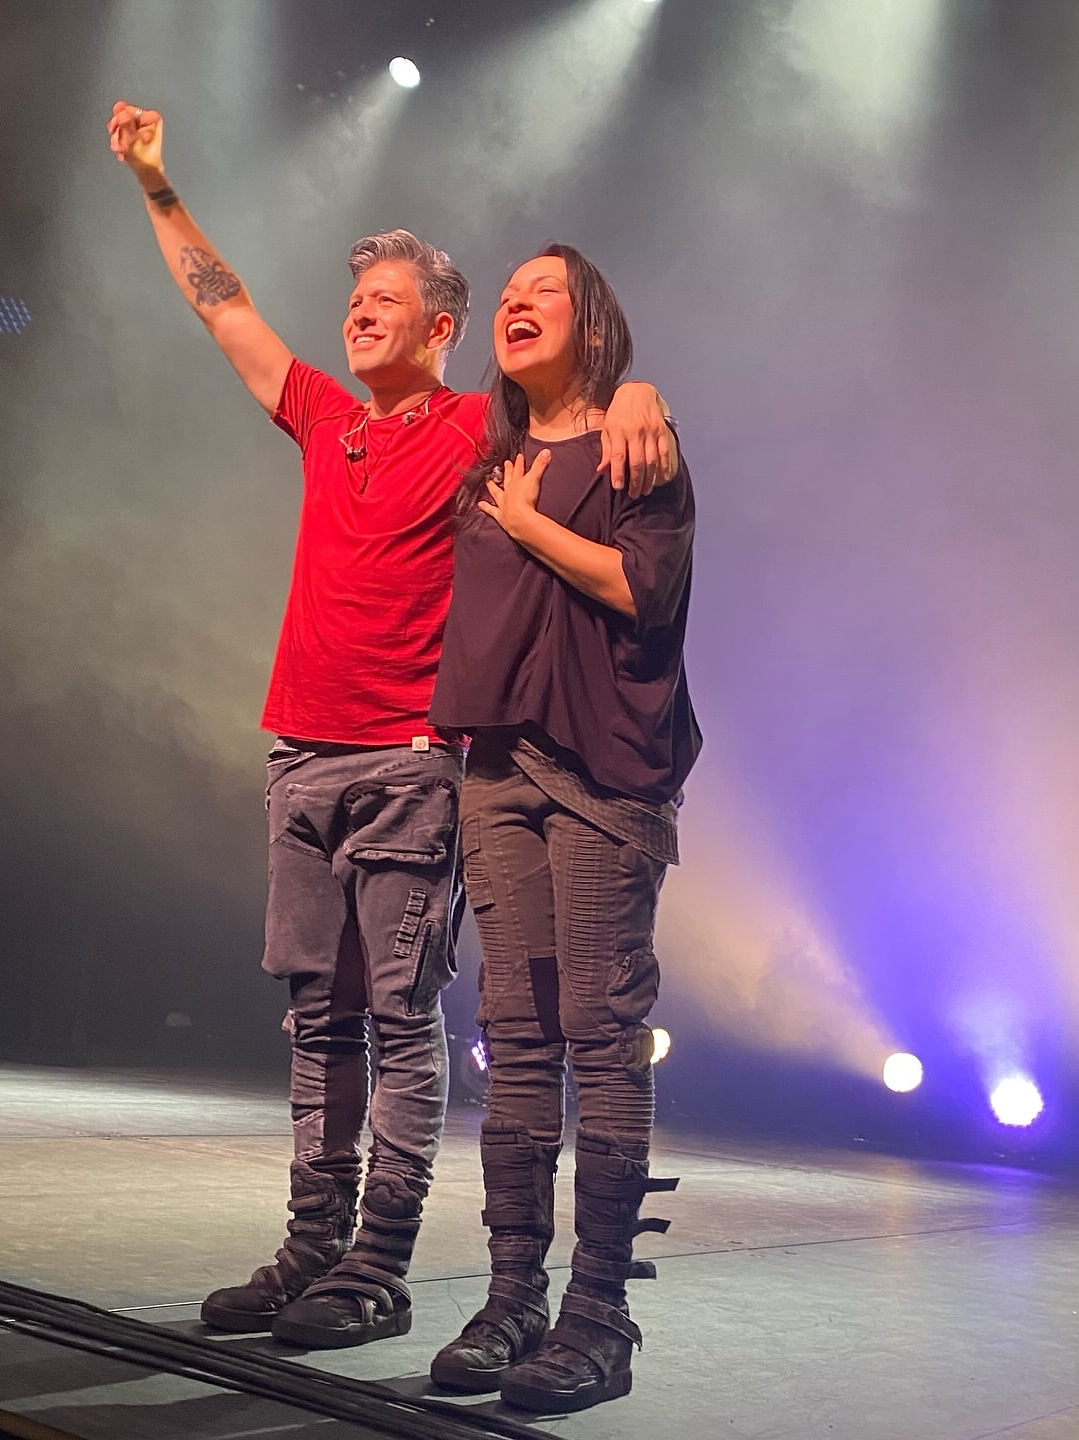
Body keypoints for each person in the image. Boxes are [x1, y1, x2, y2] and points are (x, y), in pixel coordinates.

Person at [106, 103, 678, 1349]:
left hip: (413, 765)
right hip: (301, 757)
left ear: (443, 327)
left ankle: (377, 1264)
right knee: (318, 1015)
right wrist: (158, 184)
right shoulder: (325, 416)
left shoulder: (485, 426)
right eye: (353, 299)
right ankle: (314, 1242)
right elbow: (224, 307)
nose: (357, 314)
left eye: (384, 299)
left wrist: (643, 383)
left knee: (403, 1017)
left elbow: (580, 394)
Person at [427, 245, 700, 1411]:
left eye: (545, 290)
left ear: (593, 321)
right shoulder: (488, 463)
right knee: (516, 1036)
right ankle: (510, 1300)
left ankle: (600, 1315)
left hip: (602, 773)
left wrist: (537, 523)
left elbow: (645, 593)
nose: (516, 304)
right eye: (507, 295)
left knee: (598, 1028)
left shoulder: (641, 443)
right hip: (498, 768)